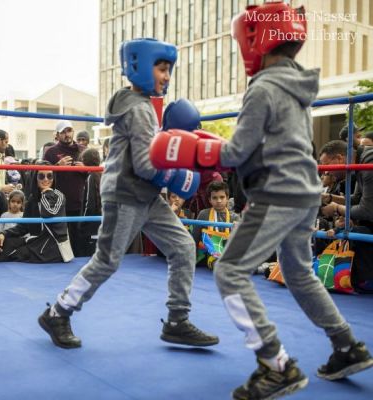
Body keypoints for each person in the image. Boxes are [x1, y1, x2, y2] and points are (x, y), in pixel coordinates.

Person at [150, 3, 373, 399]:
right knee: (300, 274)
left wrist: (194, 148)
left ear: (257, 40)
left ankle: (275, 365)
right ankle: (346, 346)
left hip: (277, 193)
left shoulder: (265, 87)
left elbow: (236, 153)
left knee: (230, 271)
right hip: (306, 194)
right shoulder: (296, 87)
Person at [38, 38, 218, 350]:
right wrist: (183, 172)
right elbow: (147, 164)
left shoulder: (142, 107)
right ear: (142, 68)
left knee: (183, 247)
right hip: (125, 194)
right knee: (107, 260)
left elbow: (150, 154)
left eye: (168, 70)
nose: (167, 76)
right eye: (161, 69)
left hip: (145, 196)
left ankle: (177, 320)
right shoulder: (139, 110)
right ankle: (58, 312)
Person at [0, 164, 73, 263]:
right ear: (35, 178)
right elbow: (24, 226)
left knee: (18, 255)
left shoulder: (59, 196)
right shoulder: (33, 198)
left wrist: (46, 194)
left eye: (49, 176)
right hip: (36, 241)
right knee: (5, 243)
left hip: (53, 245)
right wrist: (4, 233)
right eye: (41, 176)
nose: (46, 179)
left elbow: (48, 213)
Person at [43, 120, 87, 257]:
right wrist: (57, 166)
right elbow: (41, 176)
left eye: (69, 131)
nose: (67, 134)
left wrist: (85, 169)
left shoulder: (83, 150)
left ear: (73, 131)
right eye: (63, 132)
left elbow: (96, 173)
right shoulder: (51, 152)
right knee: (61, 241)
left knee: (80, 240)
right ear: (57, 135)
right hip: (58, 204)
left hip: (80, 202)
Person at [320, 140, 373, 232]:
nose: (326, 171)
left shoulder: (368, 160)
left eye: (327, 165)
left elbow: (367, 210)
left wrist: (337, 208)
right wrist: (329, 198)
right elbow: (357, 198)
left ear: (339, 158)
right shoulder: (360, 161)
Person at [79, 148, 102, 257]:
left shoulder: (92, 176)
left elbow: (90, 203)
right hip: (101, 219)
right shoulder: (102, 173)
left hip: (93, 221)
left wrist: (83, 222)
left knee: (91, 251)